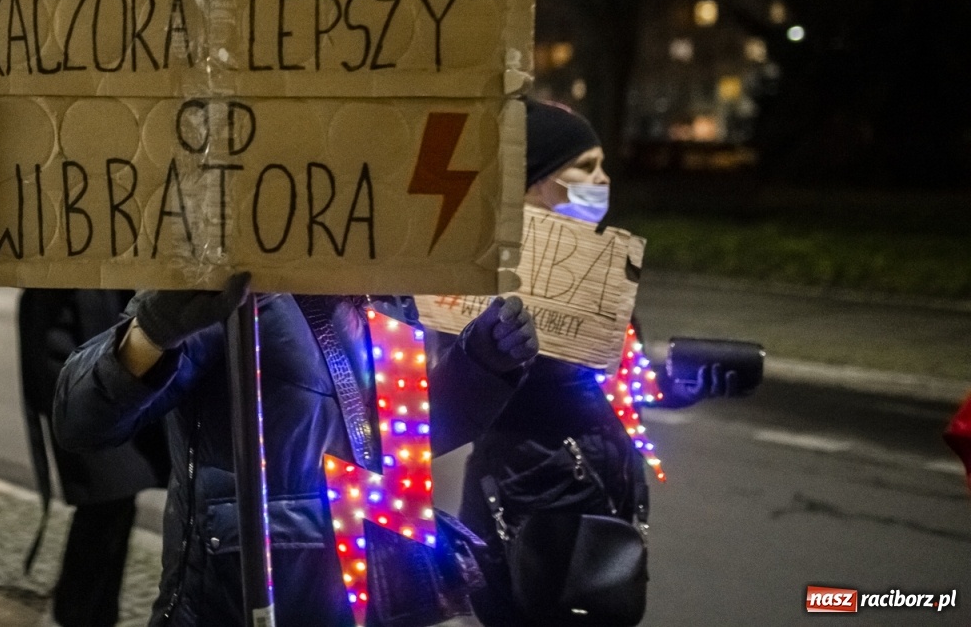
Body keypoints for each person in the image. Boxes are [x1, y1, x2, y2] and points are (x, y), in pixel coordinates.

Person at [53, 273, 540, 625]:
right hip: (240, 603)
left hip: (368, 603)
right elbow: (80, 419)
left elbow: (399, 448)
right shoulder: (231, 287)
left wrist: (481, 364)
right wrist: (151, 331)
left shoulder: (386, 291)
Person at [454, 98, 748, 627]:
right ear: (531, 185)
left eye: (604, 165)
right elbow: (467, 394)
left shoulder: (601, 272)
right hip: (528, 505)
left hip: (602, 496)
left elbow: (620, 383)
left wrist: (681, 385)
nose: (603, 181)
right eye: (585, 169)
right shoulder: (484, 281)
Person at [19, 289, 168, 627]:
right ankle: (76, 612)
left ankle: (96, 613)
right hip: (83, 382)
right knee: (105, 502)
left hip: (114, 378)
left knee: (116, 506)